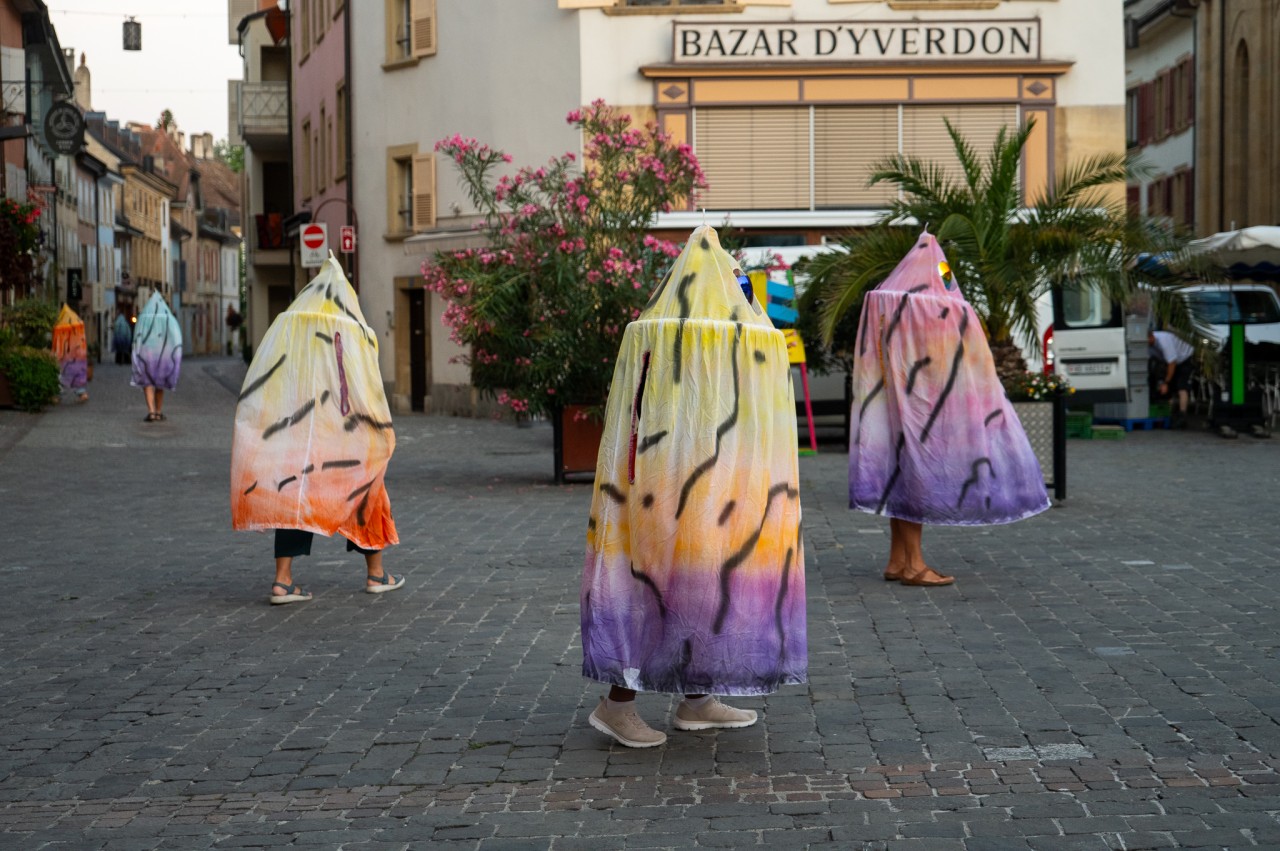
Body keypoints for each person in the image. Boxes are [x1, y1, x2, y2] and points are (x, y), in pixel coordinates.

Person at [580, 225, 806, 747]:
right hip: (666, 477)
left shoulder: (684, 333)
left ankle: (697, 698)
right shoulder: (664, 339)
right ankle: (616, 704)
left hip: (714, 477)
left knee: (708, 585)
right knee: (652, 581)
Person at [848, 231, 1050, 586]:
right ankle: (913, 564)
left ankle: (897, 559)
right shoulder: (930, 306)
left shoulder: (886, 305)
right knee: (915, 473)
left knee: (900, 469)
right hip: (924, 407)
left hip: (893, 404)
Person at [230, 255, 402, 604]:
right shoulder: (355, 331)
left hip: (297, 431)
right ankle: (376, 574)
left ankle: (283, 580)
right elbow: (366, 387)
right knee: (367, 493)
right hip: (345, 433)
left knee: (294, 497)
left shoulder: (288, 328)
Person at [131, 292, 182, 422]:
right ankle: (158, 412)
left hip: (146, 353)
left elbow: (137, 335)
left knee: (147, 383)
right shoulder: (168, 317)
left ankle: (151, 412)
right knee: (160, 383)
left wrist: (136, 351)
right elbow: (175, 335)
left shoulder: (144, 316)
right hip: (163, 353)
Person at [1149, 329, 1194, 428]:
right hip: (1168, 361)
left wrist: (1166, 382)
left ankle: (1182, 415)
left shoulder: (1164, 340)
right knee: (1169, 388)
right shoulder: (1149, 345)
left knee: (1181, 386)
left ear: (1151, 336)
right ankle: (1168, 414)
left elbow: (1172, 363)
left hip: (1184, 357)